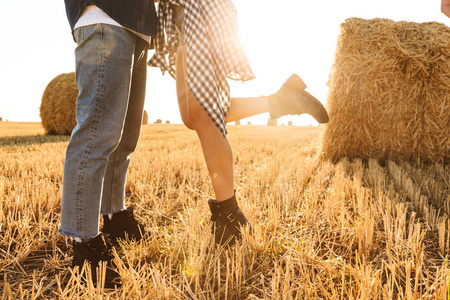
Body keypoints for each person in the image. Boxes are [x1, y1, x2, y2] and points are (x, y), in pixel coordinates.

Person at [149, 0, 329, 246]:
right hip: (179, 11)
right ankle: (283, 100)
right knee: (192, 115)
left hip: (197, 6)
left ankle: (230, 214)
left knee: (202, 110)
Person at [58, 0, 158, 288]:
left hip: (137, 27)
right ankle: (84, 243)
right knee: (95, 134)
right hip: (103, 14)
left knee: (125, 137)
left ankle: (114, 216)